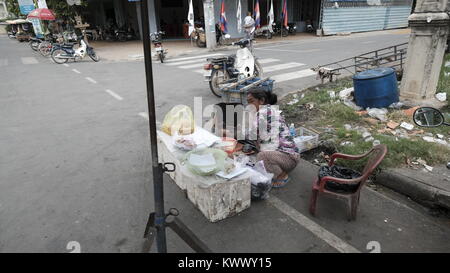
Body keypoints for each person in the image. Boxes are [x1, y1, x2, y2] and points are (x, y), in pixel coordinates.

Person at [245, 87, 300, 188]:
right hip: (288, 156)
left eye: (251, 101)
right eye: (248, 102)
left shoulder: (264, 112)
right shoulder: (268, 110)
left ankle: (282, 176)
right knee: (259, 146)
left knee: (261, 156)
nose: (249, 105)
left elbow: (251, 134)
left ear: (261, 100)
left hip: (289, 158)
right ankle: (278, 167)